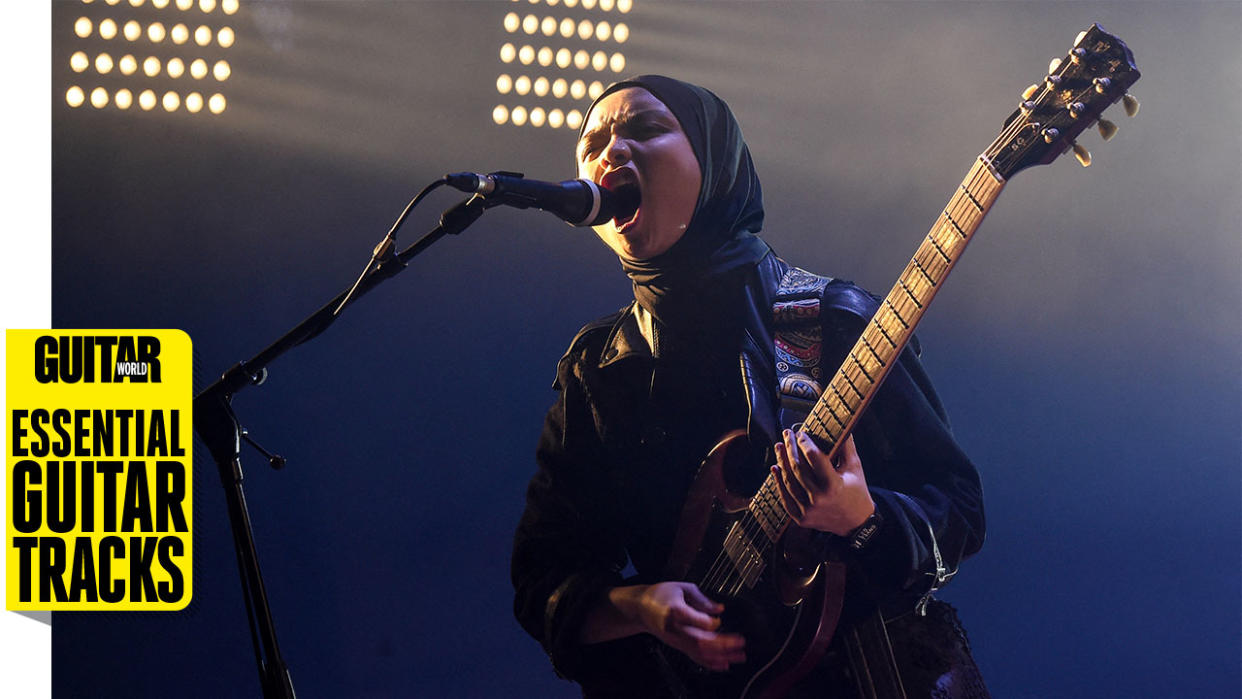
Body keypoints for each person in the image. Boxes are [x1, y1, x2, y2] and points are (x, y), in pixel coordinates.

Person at [511, 75, 989, 698]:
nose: (610, 152)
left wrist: (862, 519)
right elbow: (542, 573)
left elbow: (959, 507)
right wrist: (639, 606)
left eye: (644, 129)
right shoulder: (599, 371)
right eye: (592, 142)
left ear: (716, 162)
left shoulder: (831, 318)